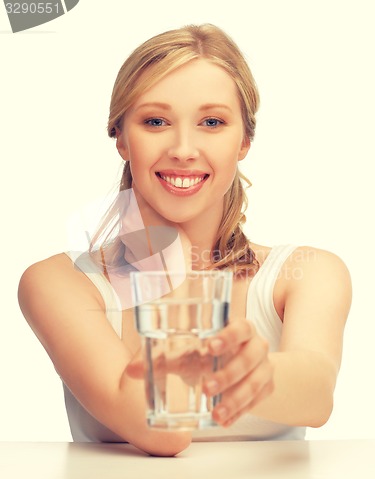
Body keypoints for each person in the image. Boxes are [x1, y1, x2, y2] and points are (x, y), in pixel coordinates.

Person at [18, 24, 352, 457]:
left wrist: (258, 371)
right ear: (120, 137)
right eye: (155, 121)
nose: (183, 149)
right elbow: (163, 433)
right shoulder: (59, 282)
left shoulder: (306, 273)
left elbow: (317, 396)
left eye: (212, 122)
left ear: (244, 140)